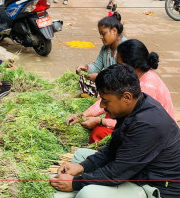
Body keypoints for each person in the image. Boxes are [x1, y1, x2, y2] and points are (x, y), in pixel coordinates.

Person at [50, 64, 180, 198]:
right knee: (80, 156)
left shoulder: (148, 125)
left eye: (105, 101)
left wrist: (76, 183)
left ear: (126, 98)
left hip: (157, 188)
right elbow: (112, 150)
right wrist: (81, 167)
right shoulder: (135, 105)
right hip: (136, 170)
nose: (101, 106)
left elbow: (117, 172)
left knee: (89, 193)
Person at [66, 39, 175, 144]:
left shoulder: (147, 87)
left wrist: (99, 121)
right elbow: (108, 98)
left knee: (100, 133)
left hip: (156, 136)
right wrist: (82, 115)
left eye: (120, 64)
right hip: (140, 124)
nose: (117, 68)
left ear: (133, 66)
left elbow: (133, 123)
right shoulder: (132, 77)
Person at [76, 12, 127, 97]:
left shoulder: (126, 47)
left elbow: (123, 77)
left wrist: (100, 78)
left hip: (122, 87)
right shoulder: (105, 48)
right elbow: (96, 66)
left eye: (103, 34)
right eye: (100, 34)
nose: (101, 37)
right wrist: (85, 68)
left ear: (114, 31)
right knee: (83, 80)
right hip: (110, 83)